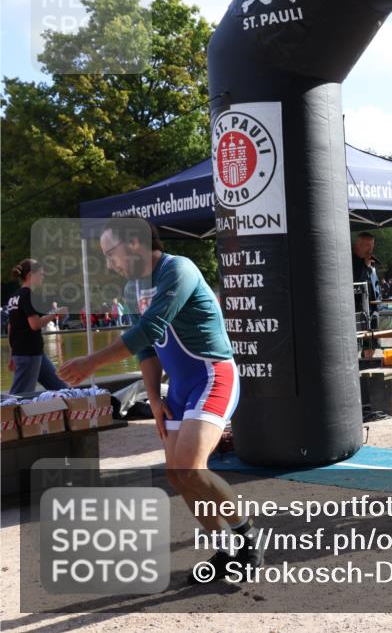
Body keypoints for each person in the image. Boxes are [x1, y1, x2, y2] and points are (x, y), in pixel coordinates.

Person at [58, 220, 261, 581]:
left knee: (190, 467)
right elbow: (148, 349)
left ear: (134, 243)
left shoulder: (179, 269)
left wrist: (91, 362)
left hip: (212, 376)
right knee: (176, 474)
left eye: (110, 253)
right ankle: (223, 548)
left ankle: (246, 540)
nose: (109, 263)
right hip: (179, 389)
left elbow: (151, 327)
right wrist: (153, 399)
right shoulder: (135, 287)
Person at [5, 260, 69, 394]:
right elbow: (35, 325)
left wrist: (12, 354)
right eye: (40, 274)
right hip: (29, 354)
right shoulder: (28, 295)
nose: (43, 277)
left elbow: (11, 327)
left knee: (61, 389)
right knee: (19, 398)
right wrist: (55, 314)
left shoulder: (14, 296)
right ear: (29, 275)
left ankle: (76, 410)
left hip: (30, 353)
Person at [352, 232, 381, 357]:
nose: (371, 249)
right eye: (367, 245)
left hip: (373, 309)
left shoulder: (369, 261)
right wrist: (364, 265)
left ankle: (369, 364)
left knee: (372, 345)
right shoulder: (350, 260)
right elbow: (356, 282)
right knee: (361, 346)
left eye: (372, 245)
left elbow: (374, 283)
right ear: (358, 245)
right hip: (358, 310)